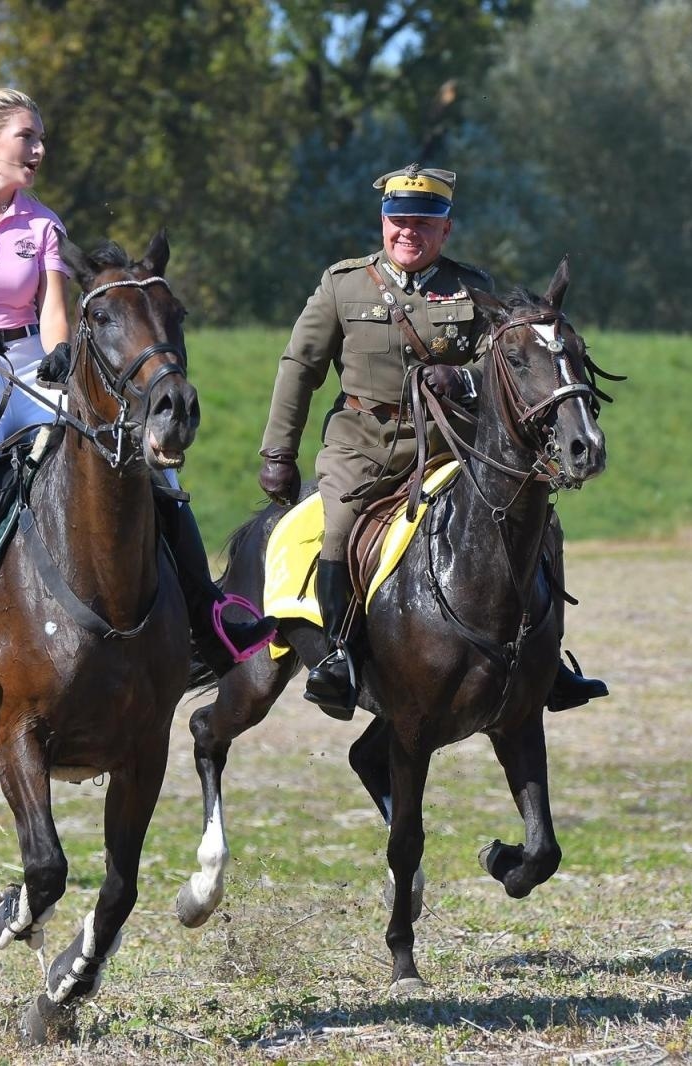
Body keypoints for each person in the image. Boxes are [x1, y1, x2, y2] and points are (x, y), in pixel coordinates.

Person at [0, 88, 273, 715]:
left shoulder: (43, 223)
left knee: (133, 463)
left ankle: (209, 612)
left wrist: (61, 351)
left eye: (41, 139)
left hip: (32, 371)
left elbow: (51, 312)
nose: (38, 150)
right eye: (27, 138)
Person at [257, 163, 609, 718]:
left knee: (538, 520)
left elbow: (507, 366)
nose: (408, 232)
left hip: (452, 445)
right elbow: (300, 366)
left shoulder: (473, 289)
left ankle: (548, 663)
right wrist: (278, 452)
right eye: (398, 220)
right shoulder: (343, 285)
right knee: (339, 529)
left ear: (445, 229)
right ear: (383, 221)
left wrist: (462, 379)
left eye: (424, 222)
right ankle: (339, 661)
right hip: (363, 446)